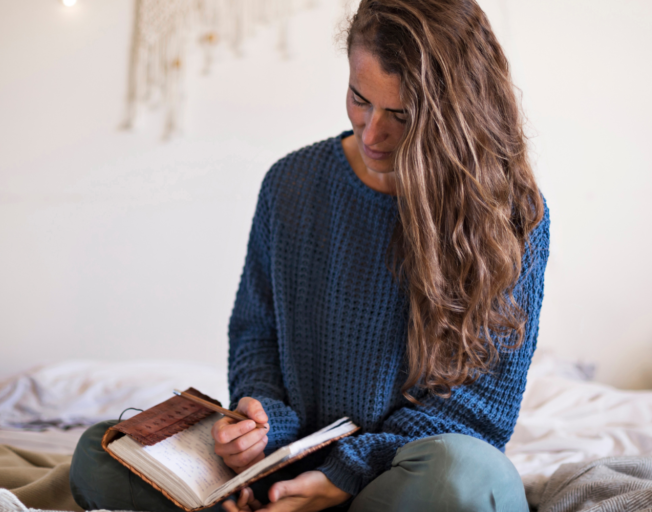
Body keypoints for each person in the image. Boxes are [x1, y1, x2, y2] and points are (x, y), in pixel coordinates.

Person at [70, 0, 549, 510]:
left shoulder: (508, 215)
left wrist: (342, 477)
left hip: (395, 477)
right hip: (285, 471)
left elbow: (478, 413)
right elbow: (256, 334)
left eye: (402, 115)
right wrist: (259, 421)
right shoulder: (290, 184)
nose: (372, 134)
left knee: (466, 474)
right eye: (359, 99)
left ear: (458, 113)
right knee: (101, 452)